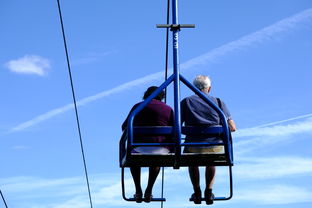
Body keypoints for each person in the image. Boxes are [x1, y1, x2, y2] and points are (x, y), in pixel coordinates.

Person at [181, 75, 236, 205]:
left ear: (194, 88)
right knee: (211, 159)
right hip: (214, 145)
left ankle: (197, 191)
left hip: (192, 146)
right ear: (209, 88)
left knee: (192, 161)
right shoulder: (218, 102)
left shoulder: (186, 102)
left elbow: (177, 126)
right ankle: (209, 190)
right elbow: (232, 127)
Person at [122, 86, 174, 203]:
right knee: (157, 159)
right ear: (162, 96)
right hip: (161, 149)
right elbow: (175, 130)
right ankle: (149, 190)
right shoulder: (168, 109)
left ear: (146, 94)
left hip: (139, 148)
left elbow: (124, 127)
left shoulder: (137, 107)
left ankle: (138, 190)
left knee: (134, 158)